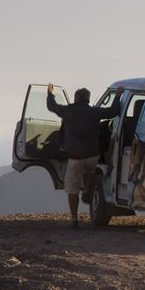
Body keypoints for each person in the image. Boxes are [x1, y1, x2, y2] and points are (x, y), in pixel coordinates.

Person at [44, 86, 101, 229]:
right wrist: (118, 97)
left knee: (72, 188)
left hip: (76, 156)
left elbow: (52, 106)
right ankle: (87, 190)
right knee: (89, 172)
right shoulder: (95, 112)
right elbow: (113, 111)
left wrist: (50, 94)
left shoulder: (68, 111)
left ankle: (74, 219)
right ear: (88, 98)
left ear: (76, 97)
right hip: (93, 153)